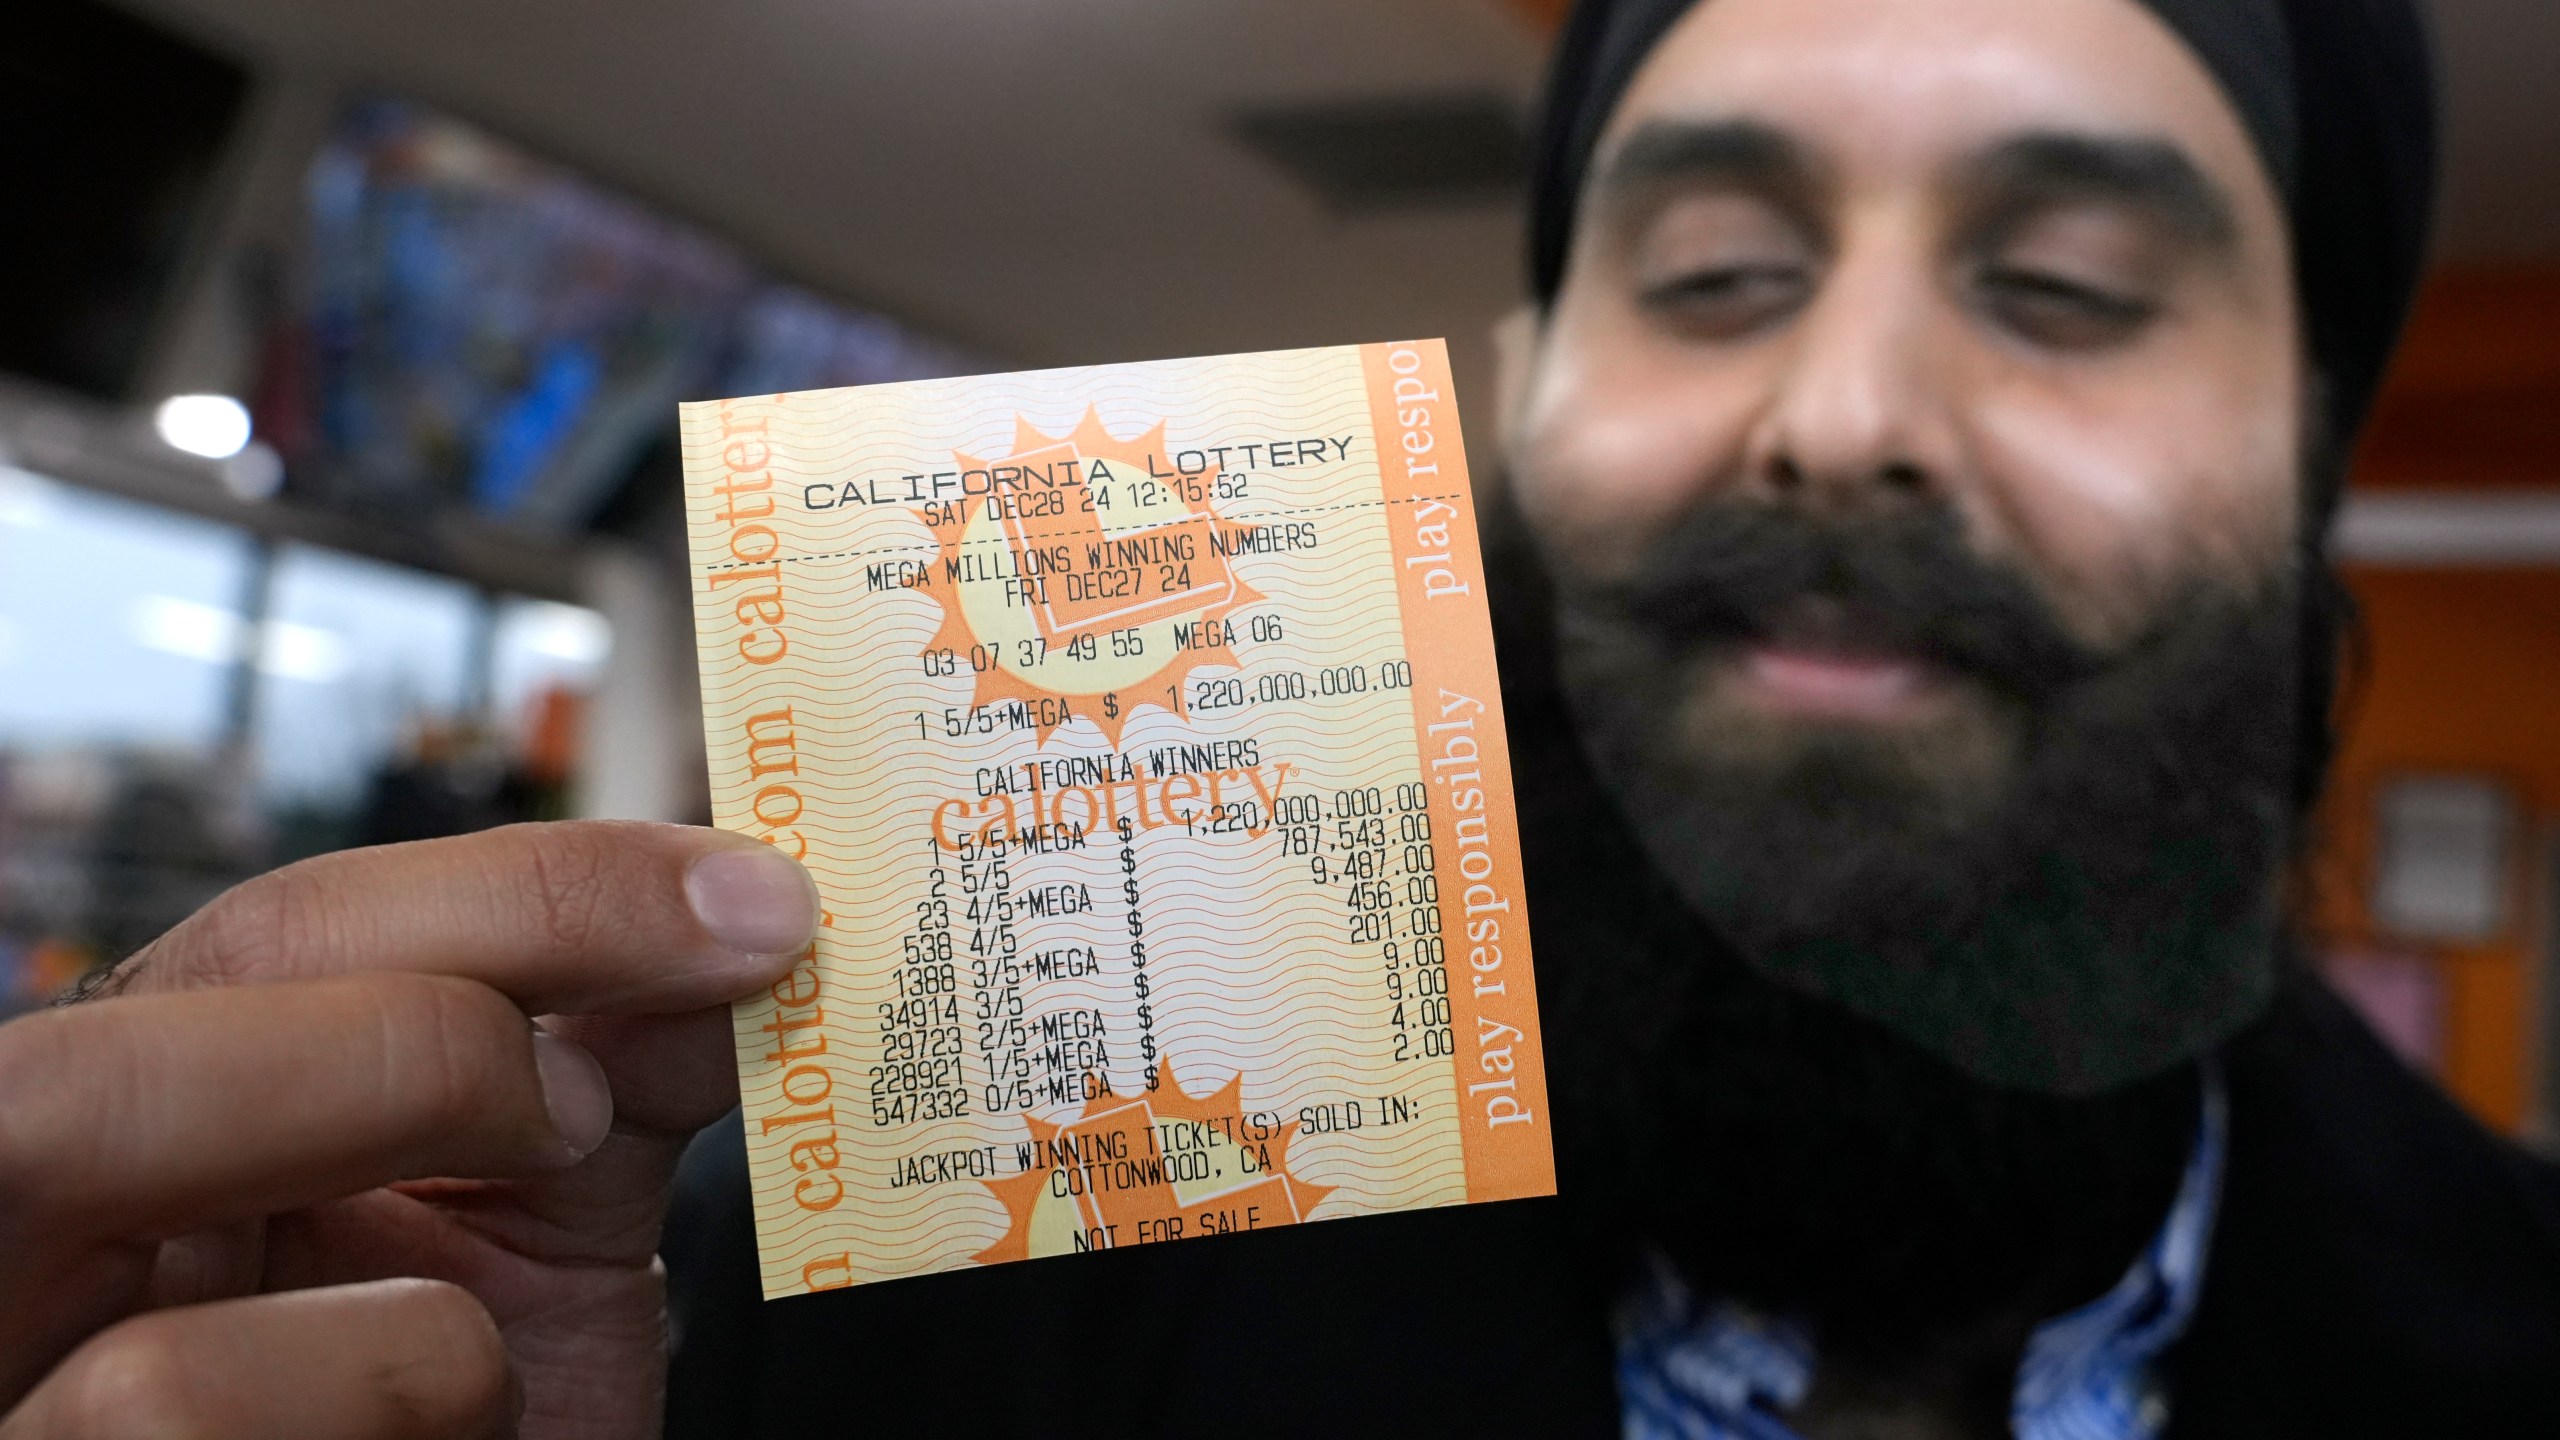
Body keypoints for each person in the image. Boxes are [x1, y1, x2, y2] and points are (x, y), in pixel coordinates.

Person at [1, 2, 2553, 1438]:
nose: (1840, 409)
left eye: (2076, 286)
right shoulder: (808, 1359)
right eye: (1720, 266)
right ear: (1530, 407)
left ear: (2307, 438)